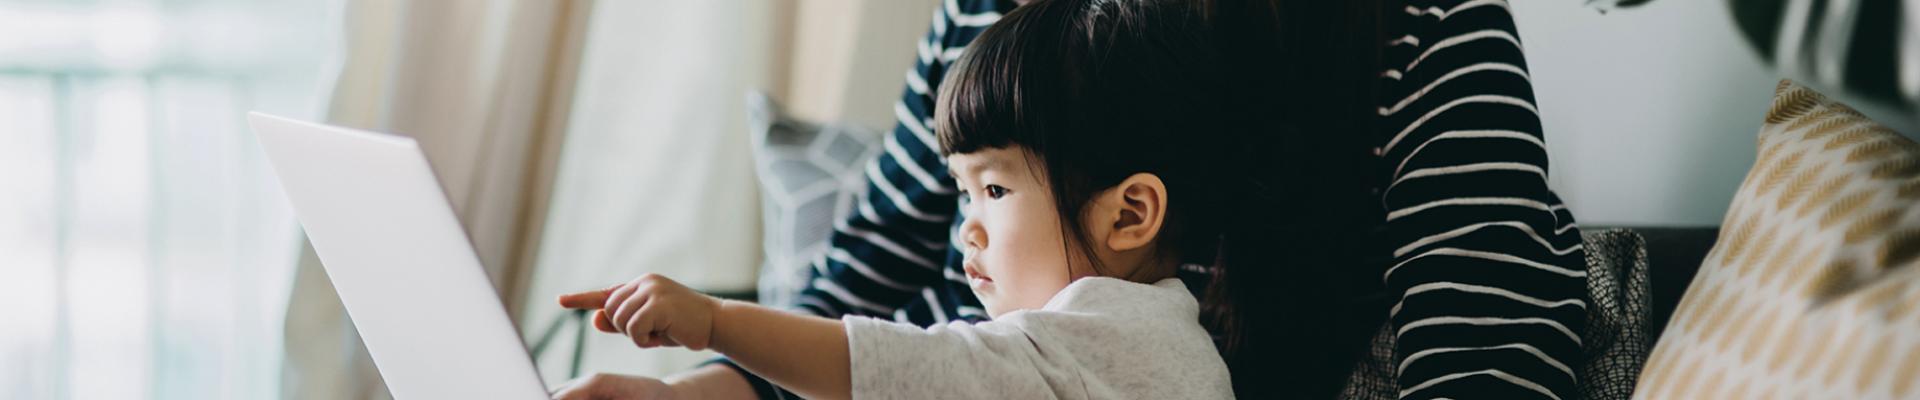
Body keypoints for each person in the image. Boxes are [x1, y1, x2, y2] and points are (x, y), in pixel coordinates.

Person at [555, 0, 1587, 398]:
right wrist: (703, 391)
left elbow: (1488, 365)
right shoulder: (991, 23)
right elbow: (860, 297)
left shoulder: (1422, 34)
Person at [552, 1, 1251, 398]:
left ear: (1129, 214)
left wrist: (715, 323)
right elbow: (866, 271)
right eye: (963, 193)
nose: (966, 231)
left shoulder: (1096, 345)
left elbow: (891, 367)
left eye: (995, 190)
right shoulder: (1157, 328)